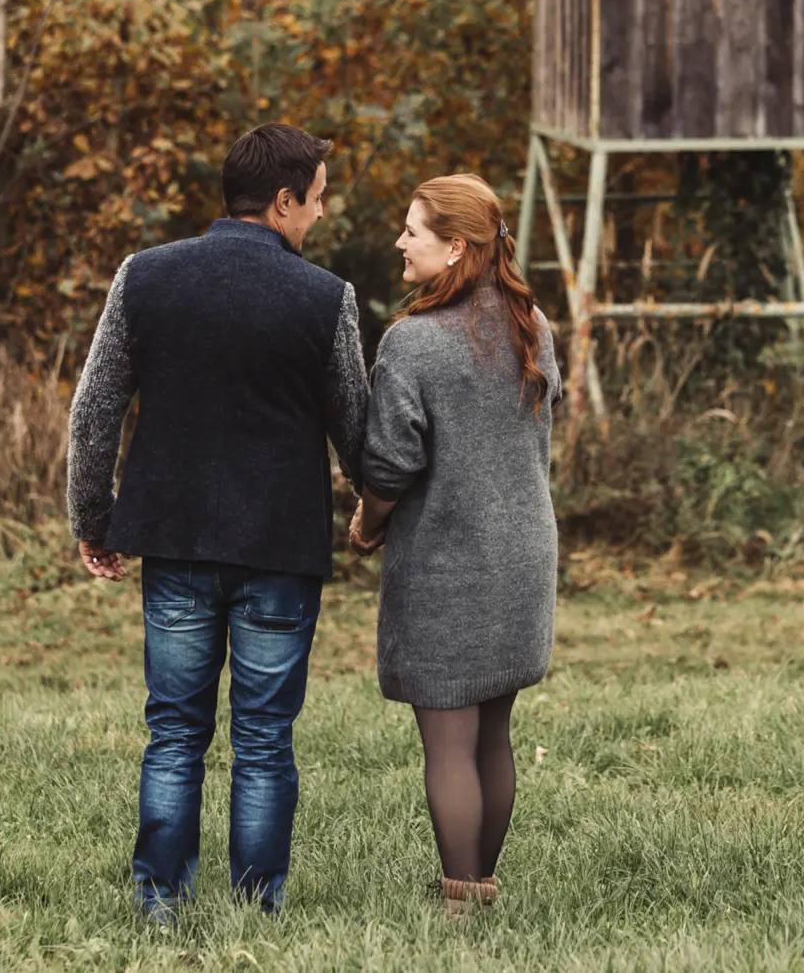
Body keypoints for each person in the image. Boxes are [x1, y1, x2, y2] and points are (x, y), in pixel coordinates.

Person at [67, 123, 369, 922]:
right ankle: (256, 905)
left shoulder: (145, 277)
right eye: (318, 197)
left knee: (174, 731)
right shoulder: (326, 297)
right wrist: (373, 511)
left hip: (173, 537)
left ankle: (158, 899)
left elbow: (93, 412)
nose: (320, 213)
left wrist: (94, 518)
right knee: (265, 739)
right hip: (281, 545)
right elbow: (357, 430)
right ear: (281, 201)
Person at [348, 173, 561, 916]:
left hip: (448, 563)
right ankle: (482, 885)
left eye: (414, 231)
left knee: (448, 741)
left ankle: (460, 897)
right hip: (524, 557)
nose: (401, 242)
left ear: (457, 247)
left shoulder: (412, 343)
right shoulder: (534, 326)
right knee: (492, 735)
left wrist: (368, 520)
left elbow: (390, 463)